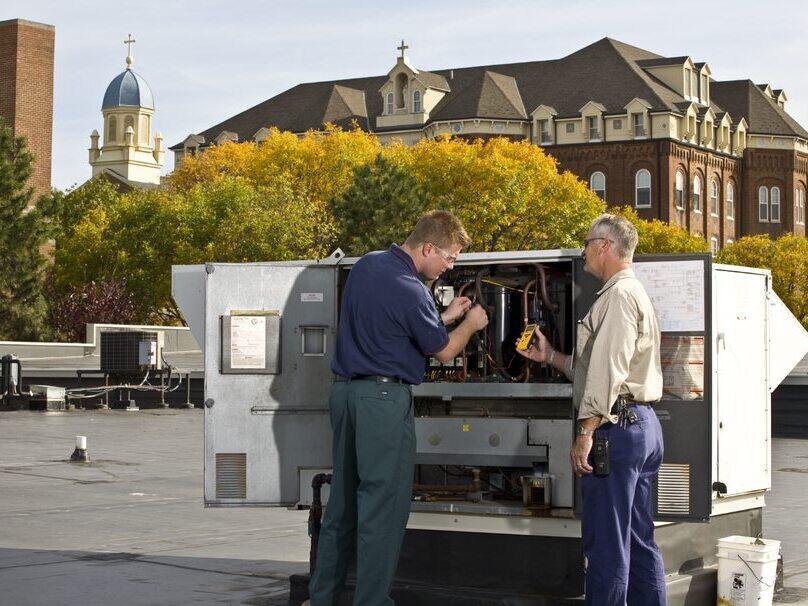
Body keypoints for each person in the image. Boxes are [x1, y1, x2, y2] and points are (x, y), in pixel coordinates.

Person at [309, 210, 489, 606]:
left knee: (342, 507)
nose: (450, 265)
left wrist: (445, 315)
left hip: (346, 396)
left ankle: (322, 599)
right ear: (427, 247)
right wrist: (471, 323)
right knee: (382, 511)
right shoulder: (411, 288)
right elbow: (443, 351)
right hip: (384, 402)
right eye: (449, 257)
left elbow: (393, 326)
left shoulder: (368, 265)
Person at [518, 213, 666, 606]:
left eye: (586, 243)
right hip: (642, 425)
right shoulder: (633, 293)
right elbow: (594, 367)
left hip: (616, 428)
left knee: (606, 544)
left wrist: (585, 434)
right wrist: (550, 356)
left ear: (604, 246)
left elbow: (607, 371)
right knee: (637, 539)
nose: (583, 250)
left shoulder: (617, 297)